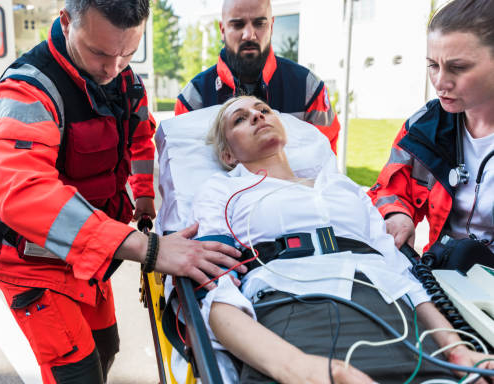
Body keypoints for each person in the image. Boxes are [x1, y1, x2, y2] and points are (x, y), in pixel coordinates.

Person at [0, 0, 246, 383]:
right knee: (78, 372)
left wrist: (145, 199)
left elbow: (138, 141)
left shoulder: (125, 81)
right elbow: (25, 193)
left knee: (106, 346)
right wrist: (149, 249)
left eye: (127, 53)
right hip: (29, 259)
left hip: (88, 250)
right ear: (66, 21)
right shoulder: (28, 91)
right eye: (99, 52)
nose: (113, 68)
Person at [186, 96, 493, 383]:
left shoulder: (341, 187)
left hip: (392, 313)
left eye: (263, 110)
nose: (257, 115)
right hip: (294, 311)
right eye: (240, 119)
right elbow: (214, 288)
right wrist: (300, 367)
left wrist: (455, 349)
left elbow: (402, 273)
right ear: (227, 154)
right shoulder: (222, 191)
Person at [368, 0, 494, 255]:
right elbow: (389, 189)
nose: (440, 82)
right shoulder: (423, 126)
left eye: (458, 67)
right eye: (433, 65)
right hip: (446, 276)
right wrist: (396, 215)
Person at [174, 0, 341, 152]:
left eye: (259, 23)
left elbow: (324, 163)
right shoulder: (194, 98)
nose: (249, 34)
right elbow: (184, 168)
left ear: (271, 26)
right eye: (238, 24)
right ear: (222, 30)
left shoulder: (308, 88)